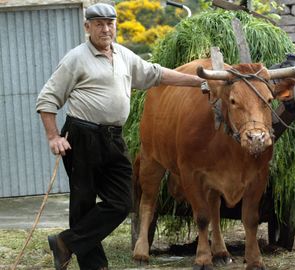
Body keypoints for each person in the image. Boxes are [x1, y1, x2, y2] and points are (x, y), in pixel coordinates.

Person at [35, 3, 205, 270]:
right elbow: (47, 98)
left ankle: (66, 243)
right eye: (99, 24)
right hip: (82, 135)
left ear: (115, 25)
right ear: (87, 27)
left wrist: (198, 81)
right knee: (84, 202)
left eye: (110, 23)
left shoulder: (124, 55)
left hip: (113, 137)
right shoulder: (76, 58)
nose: (105, 29)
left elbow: (156, 74)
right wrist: (53, 136)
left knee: (122, 202)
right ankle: (95, 266)